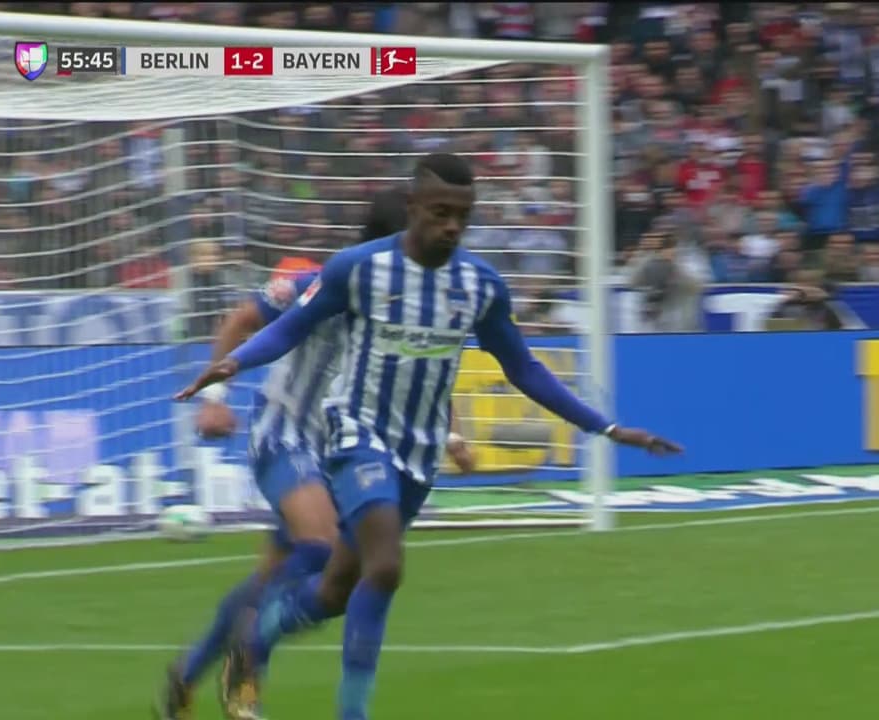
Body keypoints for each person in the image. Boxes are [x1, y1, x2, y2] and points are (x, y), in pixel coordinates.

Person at [174, 154, 681, 720]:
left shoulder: (475, 285)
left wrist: (597, 427)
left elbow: (463, 366)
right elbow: (264, 324)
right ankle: (308, 694)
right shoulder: (339, 275)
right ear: (409, 218)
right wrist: (226, 376)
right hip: (310, 432)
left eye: (462, 217)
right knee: (369, 560)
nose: (451, 228)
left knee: (325, 583)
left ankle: (214, 657)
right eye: (437, 215)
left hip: (402, 449)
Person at [153, 189, 475, 720]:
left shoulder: (409, 303)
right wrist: (215, 398)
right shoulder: (320, 282)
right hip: (284, 432)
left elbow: (424, 374)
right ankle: (249, 666)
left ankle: (188, 672)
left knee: (279, 576)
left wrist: (453, 437)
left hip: (338, 451)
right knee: (324, 548)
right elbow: (240, 320)